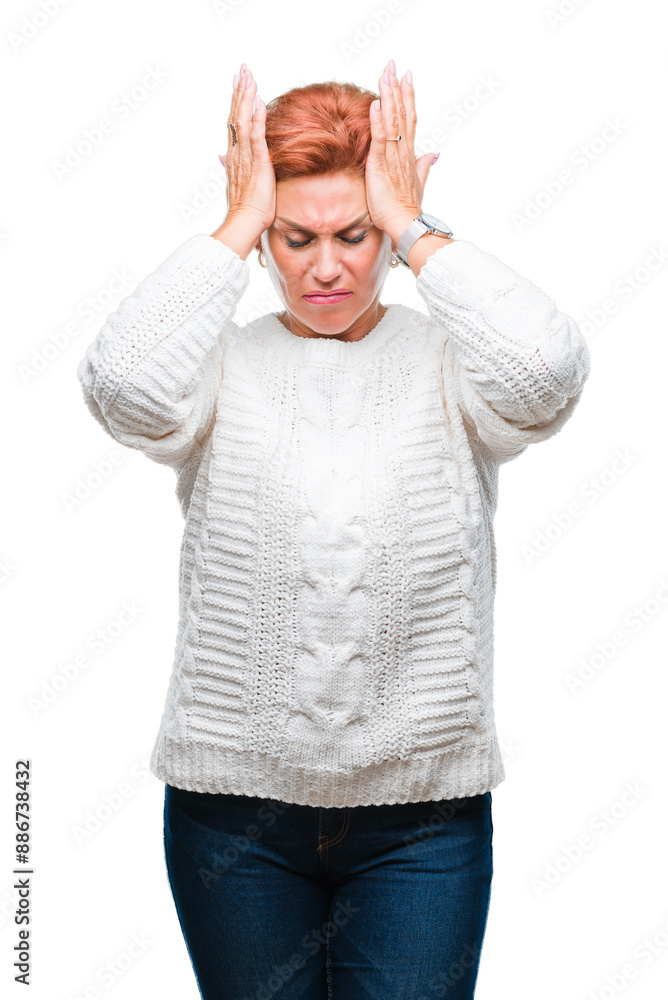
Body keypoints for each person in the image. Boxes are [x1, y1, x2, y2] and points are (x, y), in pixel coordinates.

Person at [76, 58, 591, 1000]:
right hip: (233, 818)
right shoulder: (219, 369)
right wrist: (232, 228)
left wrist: (412, 226)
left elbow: (547, 371)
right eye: (294, 235)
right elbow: (123, 385)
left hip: (423, 819)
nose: (324, 265)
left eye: (354, 234)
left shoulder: (453, 367)